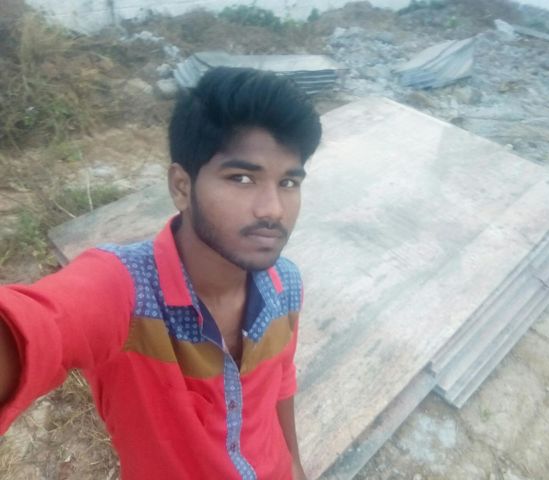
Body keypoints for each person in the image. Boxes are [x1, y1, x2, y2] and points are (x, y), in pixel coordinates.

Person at [0, 66, 322, 480]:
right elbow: (42, 323)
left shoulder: (285, 284)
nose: (273, 209)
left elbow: (281, 382)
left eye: (289, 182)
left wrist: (294, 465)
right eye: (242, 178)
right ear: (181, 187)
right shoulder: (125, 290)